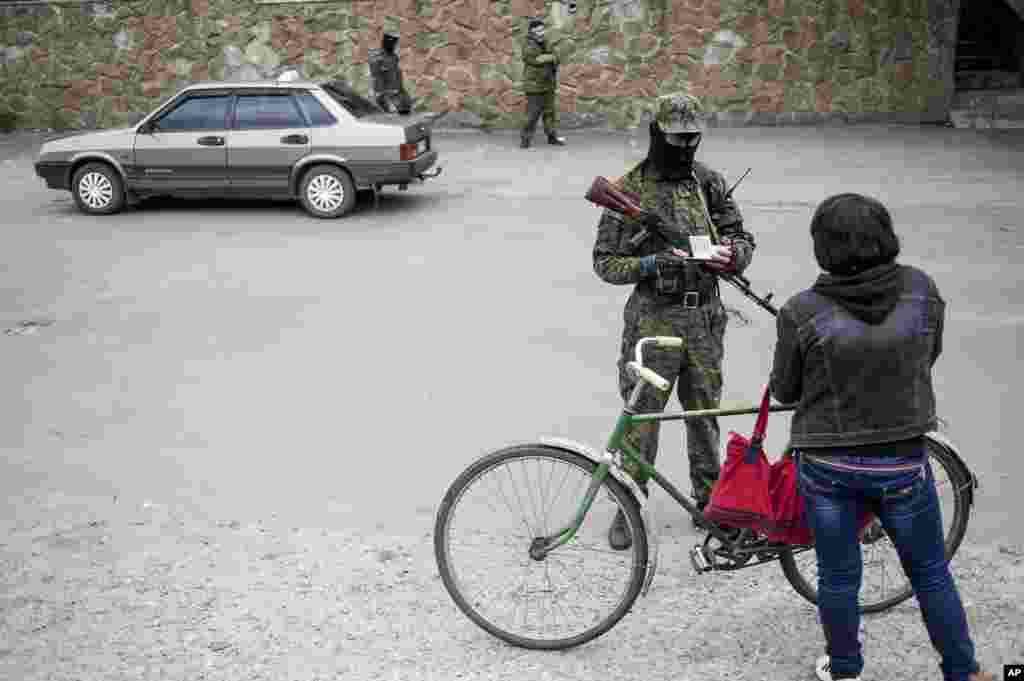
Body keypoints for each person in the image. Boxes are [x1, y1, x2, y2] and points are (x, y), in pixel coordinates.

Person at [769, 194, 993, 681]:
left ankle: (846, 670)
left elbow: (785, 390)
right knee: (931, 572)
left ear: (823, 247)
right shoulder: (921, 289)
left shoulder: (801, 310)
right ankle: (964, 671)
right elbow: (925, 357)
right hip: (902, 460)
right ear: (885, 236)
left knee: (839, 577)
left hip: (827, 466)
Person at [592, 92, 755, 550]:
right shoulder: (628, 191)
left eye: (693, 138)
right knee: (642, 417)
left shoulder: (709, 183)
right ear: (657, 134)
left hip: (704, 318)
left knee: (704, 416)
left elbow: (742, 237)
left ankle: (713, 504)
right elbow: (605, 263)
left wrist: (732, 256)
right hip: (653, 321)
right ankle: (630, 503)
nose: (685, 147)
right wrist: (650, 264)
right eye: (677, 138)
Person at [520, 16, 566, 148]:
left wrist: (551, 57)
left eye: (542, 30)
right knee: (532, 113)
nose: (541, 32)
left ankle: (552, 137)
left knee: (549, 112)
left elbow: (557, 57)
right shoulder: (528, 43)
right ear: (531, 32)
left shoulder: (546, 41)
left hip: (548, 83)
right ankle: (525, 139)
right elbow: (535, 59)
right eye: (538, 31)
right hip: (534, 85)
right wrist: (550, 57)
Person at [368, 31, 413, 115]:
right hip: (386, 100)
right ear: (386, 42)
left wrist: (404, 96)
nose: (394, 45)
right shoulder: (377, 58)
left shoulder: (394, 57)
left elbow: (397, 78)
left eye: (395, 43)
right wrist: (385, 99)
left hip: (398, 98)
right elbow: (376, 80)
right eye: (393, 42)